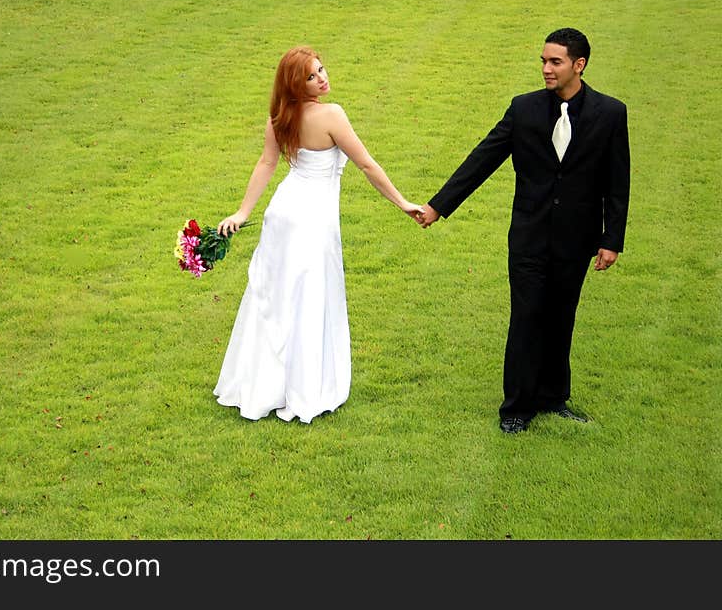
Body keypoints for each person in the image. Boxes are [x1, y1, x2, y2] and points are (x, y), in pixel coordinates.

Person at [418, 28, 630, 434]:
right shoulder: (524, 109)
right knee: (527, 316)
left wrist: (611, 240)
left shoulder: (611, 113)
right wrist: (437, 206)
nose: (547, 69)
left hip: (578, 239)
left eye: (556, 62)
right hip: (529, 239)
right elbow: (482, 159)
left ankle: (553, 397)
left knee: (561, 318)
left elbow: (617, 182)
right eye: (544, 61)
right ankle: (516, 407)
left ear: (579, 65)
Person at [213, 46, 423, 423]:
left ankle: (264, 384)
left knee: (277, 298)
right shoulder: (331, 115)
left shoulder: (279, 118)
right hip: (311, 219)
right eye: (311, 76)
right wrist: (402, 202)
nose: (322, 78)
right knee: (308, 298)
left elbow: (267, 163)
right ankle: (304, 386)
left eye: (321, 69)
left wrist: (244, 212)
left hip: (284, 212)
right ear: (296, 83)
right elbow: (366, 164)